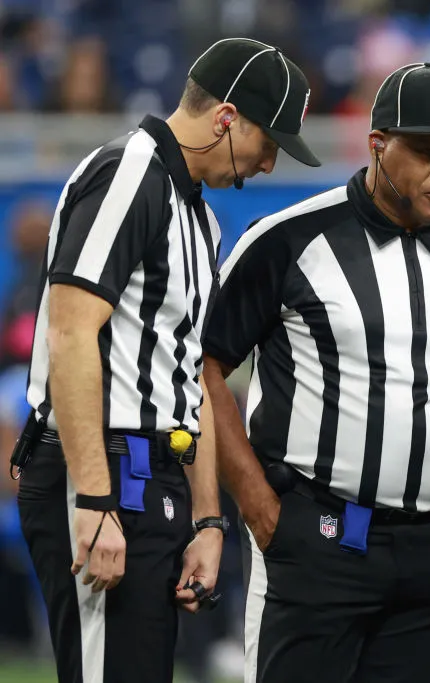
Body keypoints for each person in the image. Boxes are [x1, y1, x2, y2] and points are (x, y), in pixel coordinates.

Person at [13, 37, 320, 683]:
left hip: (156, 470)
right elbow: (70, 331)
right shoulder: (130, 172)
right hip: (105, 464)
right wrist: (96, 495)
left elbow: (191, 376)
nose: (267, 165)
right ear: (227, 117)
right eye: (269, 142)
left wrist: (209, 518)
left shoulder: (199, 218)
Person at [201, 62, 430, 683]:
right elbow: (205, 371)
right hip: (318, 535)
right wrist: (260, 508)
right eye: (426, 152)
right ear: (377, 145)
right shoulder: (288, 239)